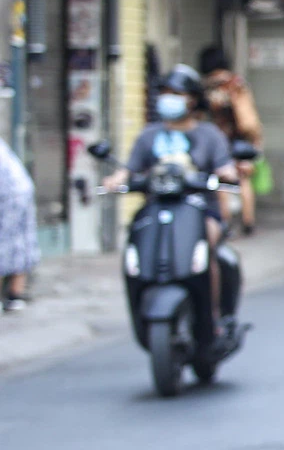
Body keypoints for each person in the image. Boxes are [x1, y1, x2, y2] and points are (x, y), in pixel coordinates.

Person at [101, 67, 238, 318]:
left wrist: (227, 175)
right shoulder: (149, 135)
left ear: (192, 99)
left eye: (175, 93)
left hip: (200, 209)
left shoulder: (209, 135)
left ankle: (213, 313)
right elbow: (129, 169)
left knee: (207, 245)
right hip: (157, 208)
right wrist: (114, 180)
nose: (168, 98)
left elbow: (225, 169)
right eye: (164, 93)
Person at [199, 46, 264, 235]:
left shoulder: (207, 87)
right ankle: (248, 220)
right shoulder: (237, 83)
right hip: (241, 138)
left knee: (221, 180)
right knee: (243, 179)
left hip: (217, 138)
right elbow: (249, 116)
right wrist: (255, 140)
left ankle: (224, 221)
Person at [0, 136, 35, 312]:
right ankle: (14, 294)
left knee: (9, 243)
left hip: (11, 195)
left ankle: (14, 294)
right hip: (17, 191)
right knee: (17, 242)